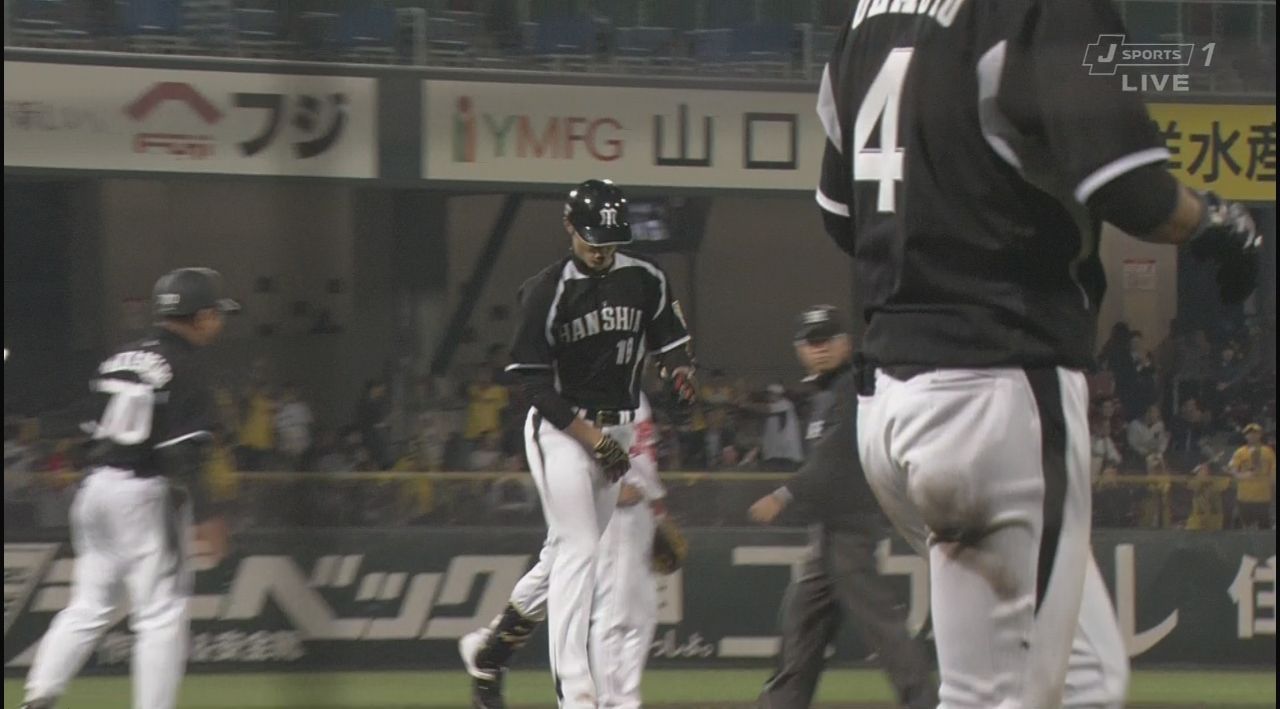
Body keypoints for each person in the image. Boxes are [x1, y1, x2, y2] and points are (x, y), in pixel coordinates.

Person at [816, 1, 1261, 706]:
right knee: (1000, 695)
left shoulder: (869, 14)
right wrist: (1216, 223)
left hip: (891, 407)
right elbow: (1131, 188)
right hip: (995, 394)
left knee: (1086, 680)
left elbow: (840, 215)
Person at [459, 179, 696, 709]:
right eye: (592, 238)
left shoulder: (646, 278)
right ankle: (576, 692)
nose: (601, 248)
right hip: (562, 430)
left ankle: (490, 651)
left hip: (618, 430)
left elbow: (673, 346)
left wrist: (680, 376)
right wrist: (591, 439)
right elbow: (534, 387)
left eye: (610, 239)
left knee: (560, 559)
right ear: (569, 226)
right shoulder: (545, 291)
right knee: (581, 550)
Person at [22, 267, 238, 709]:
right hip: (145, 494)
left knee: (88, 606)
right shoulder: (188, 367)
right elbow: (184, 454)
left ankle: (39, 697)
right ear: (201, 317)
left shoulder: (120, 357)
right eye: (216, 313)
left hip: (96, 489)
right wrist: (207, 513)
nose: (219, 321)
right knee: (161, 615)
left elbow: (86, 423)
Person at [747, 306, 936, 709]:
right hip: (830, 528)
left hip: (852, 525)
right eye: (811, 342)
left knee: (878, 620)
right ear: (799, 349)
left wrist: (784, 494)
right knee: (803, 620)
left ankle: (923, 701)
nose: (819, 348)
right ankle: (781, 702)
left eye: (827, 340)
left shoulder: (853, 386)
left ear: (846, 343)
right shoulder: (828, 393)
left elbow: (835, 456)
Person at [460, 394, 668, 709]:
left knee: (558, 564)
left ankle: (490, 651)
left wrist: (658, 514)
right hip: (605, 486)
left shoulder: (635, 389)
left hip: (631, 501)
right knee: (615, 609)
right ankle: (610, 702)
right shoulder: (600, 378)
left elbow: (643, 456)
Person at [1228, 423, 1275, 529]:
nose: (1252, 435)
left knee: (1264, 529)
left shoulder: (1268, 451)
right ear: (1245, 436)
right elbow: (1233, 470)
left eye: (1255, 433)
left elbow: (1273, 473)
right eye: (1249, 433)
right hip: (1244, 497)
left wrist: (1272, 490)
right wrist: (1244, 475)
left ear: (1260, 435)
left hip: (1263, 497)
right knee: (1241, 529)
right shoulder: (1239, 452)